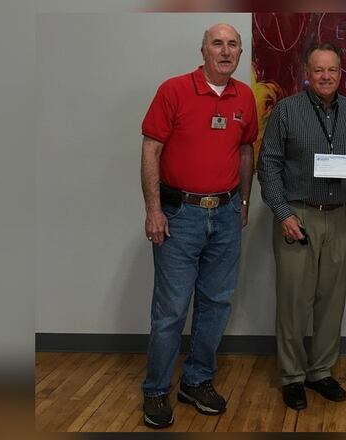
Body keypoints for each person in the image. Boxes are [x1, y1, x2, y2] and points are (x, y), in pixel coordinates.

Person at [139, 23, 257, 429]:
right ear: (203, 50)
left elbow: (246, 151)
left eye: (232, 45)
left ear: (240, 52)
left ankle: (196, 381)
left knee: (216, 303)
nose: (225, 51)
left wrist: (244, 202)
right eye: (217, 44)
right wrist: (153, 210)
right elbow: (151, 149)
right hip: (179, 215)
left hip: (226, 214)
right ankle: (157, 390)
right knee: (171, 310)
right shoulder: (173, 90)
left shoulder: (245, 97)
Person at [258, 42, 346, 411]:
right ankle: (292, 376)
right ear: (307, 73)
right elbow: (268, 166)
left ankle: (321, 371)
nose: (326, 76)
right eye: (318, 70)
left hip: (342, 215)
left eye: (332, 70)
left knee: (332, 298)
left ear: (341, 73)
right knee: (294, 301)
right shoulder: (286, 111)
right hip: (298, 215)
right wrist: (283, 213)